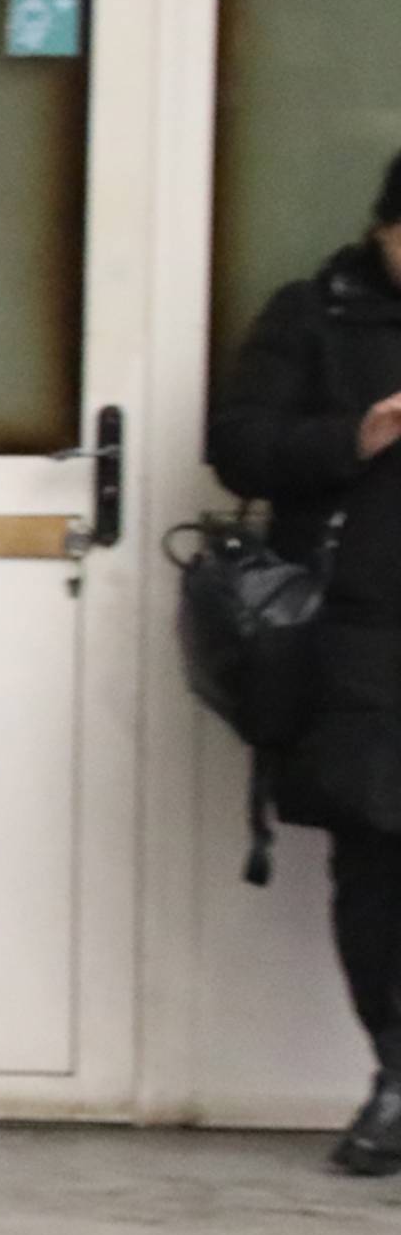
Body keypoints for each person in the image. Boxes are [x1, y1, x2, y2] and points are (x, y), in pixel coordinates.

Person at [210, 153, 401, 1176]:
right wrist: (354, 438)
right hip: (360, 631)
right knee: (377, 853)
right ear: (385, 231)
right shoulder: (316, 314)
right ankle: (395, 1077)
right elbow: (238, 447)